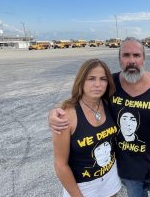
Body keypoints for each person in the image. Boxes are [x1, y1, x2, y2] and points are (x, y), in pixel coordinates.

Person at [50, 37, 150, 197]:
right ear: (119, 59)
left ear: (143, 58)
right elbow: (83, 98)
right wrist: (55, 112)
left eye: (136, 55)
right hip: (127, 172)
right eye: (126, 55)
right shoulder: (110, 85)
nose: (131, 61)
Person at [52, 58, 121, 197]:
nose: (97, 84)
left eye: (103, 79)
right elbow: (60, 165)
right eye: (91, 78)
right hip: (83, 187)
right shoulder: (66, 115)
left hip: (110, 178)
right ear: (81, 80)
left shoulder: (109, 105)